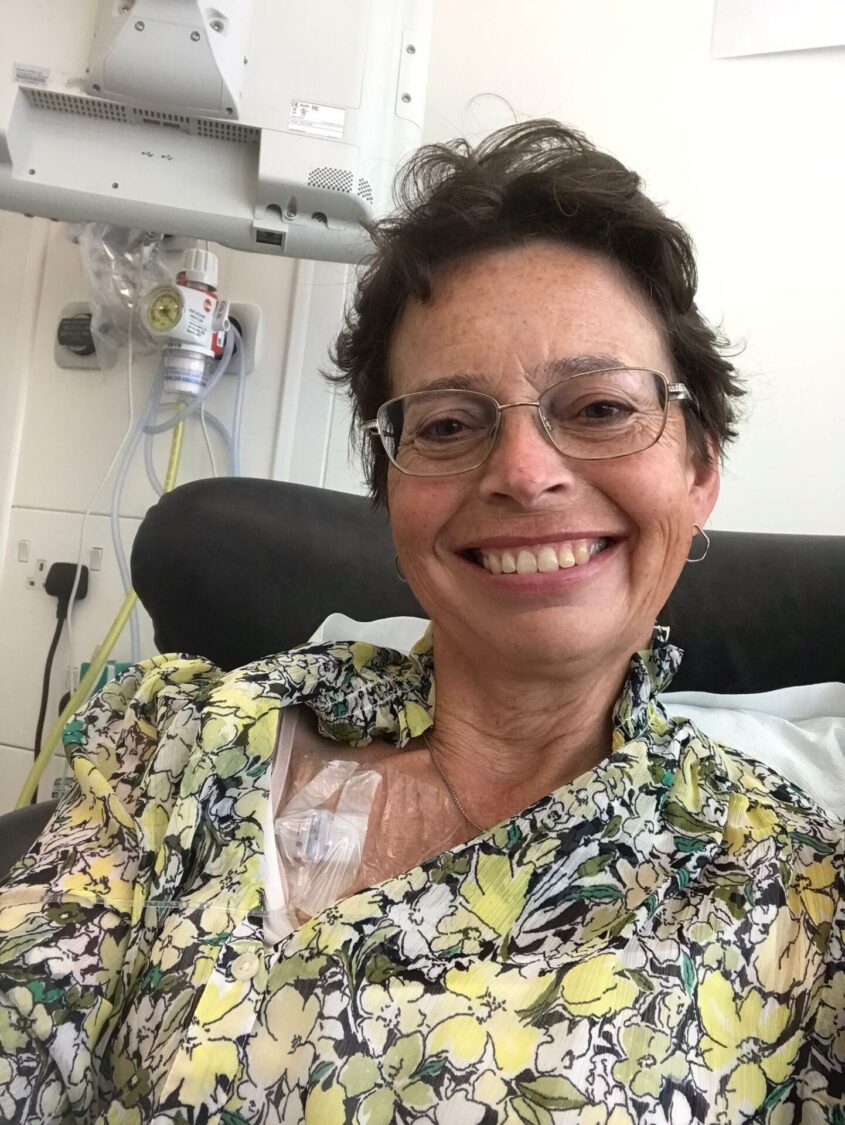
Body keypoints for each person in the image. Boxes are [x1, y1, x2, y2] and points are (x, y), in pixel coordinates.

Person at [0, 121, 842, 1124]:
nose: (525, 474)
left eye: (600, 409)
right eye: (447, 425)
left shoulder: (794, 897)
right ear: (391, 491)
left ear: (697, 467)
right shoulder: (180, 742)